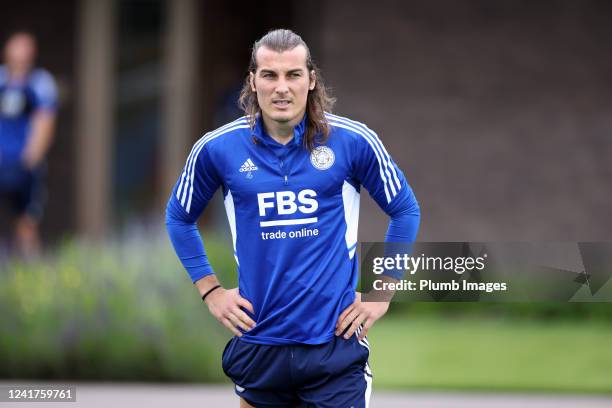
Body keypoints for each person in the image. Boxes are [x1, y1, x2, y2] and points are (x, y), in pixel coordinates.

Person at [166, 29, 420, 408]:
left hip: (333, 346)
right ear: (252, 81)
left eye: (293, 74)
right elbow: (178, 217)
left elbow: (404, 209)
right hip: (260, 345)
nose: (281, 87)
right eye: (269, 75)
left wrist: (382, 292)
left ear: (311, 79)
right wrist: (212, 291)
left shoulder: (352, 141)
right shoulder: (217, 149)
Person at [0, 31, 57, 257]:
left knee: (26, 222)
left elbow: (45, 121)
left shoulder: (40, 83)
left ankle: (31, 274)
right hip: (2, 161)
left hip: (24, 165)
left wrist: (31, 157)